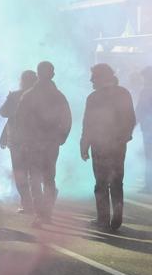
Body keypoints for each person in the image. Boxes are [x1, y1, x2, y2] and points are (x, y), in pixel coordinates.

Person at [81, 64, 136, 231]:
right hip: (118, 146)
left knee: (101, 183)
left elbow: (88, 124)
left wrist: (84, 144)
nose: (91, 80)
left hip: (99, 146)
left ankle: (103, 219)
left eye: (94, 76)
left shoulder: (94, 97)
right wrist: (123, 138)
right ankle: (117, 216)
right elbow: (131, 119)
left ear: (101, 77)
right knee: (117, 181)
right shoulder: (123, 93)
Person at [16, 61, 72, 226]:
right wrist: (61, 137)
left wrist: (24, 141)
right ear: (53, 74)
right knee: (49, 178)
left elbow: (20, 121)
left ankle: (41, 214)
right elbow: (67, 119)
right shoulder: (58, 95)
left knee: (35, 179)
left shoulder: (29, 95)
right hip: (51, 143)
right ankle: (46, 213)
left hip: (34, 143)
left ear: (38, 74)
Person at [0, 70, 37, 214]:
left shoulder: (16, 95)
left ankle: (27, 204)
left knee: (20, 172)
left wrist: (9, 99)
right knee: (34, 172)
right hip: (35, 141)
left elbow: (3, 113)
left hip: (18, 140)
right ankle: (38, 202)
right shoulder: (40, 95)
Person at [136, 66, 152, 193]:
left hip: (148, 130)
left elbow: (140, 110)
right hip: (147, 129)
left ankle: (149, 186)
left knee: (149, 157)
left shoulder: (146, 91)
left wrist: (131, 125)